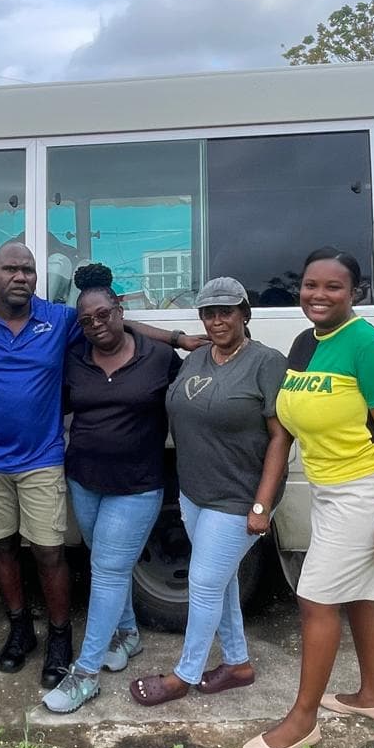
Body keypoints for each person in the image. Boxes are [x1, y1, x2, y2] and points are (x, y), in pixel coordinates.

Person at [0, 241, 203, 689]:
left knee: (49, 552)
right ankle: (21, 630)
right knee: (3, 548)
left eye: (28, 269)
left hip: (43, 458)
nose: (20, 276)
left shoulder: (60, 319)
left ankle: (61, 639)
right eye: (11, 268)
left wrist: (178, 339)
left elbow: (117, 320)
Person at [243, 247, 374, 748]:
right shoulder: (305, 343)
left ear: (355, 293)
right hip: (330, 487)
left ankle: (302, 720)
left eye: (333, 287)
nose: (318, 295)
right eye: (310, 285)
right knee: (364, 594)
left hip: (366, 489)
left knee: (316, 599)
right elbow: (290, 423)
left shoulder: (370, 345)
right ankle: (372, 697)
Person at [130, 277, 290, 707]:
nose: (217, 320)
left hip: (238, 498)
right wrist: (142, 326)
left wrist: (262, 504)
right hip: (194, 494)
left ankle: (184, 675)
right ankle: (238, 664)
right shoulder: (197, 357)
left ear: (245, 314)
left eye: (226, 311)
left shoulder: (267, 362)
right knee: (221, 583)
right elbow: (131, 328)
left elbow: (281, 437)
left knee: (202, 584)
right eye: (209, 312)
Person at [42, 265, 182, 713]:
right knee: (105, 563)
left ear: (121, 310)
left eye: (105, 314)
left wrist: (180, 338)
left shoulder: (158, 357)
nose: (97, 325)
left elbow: (196, 394)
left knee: (106, 570)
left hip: (137, 487)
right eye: (87, 320)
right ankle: (128, 634)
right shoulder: (75, 359)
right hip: (84, 480)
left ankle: (84, 675)